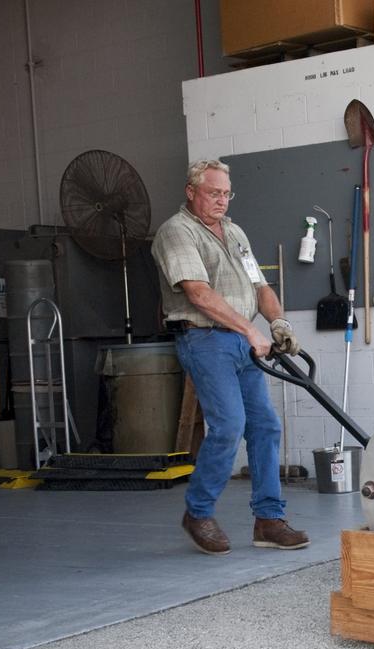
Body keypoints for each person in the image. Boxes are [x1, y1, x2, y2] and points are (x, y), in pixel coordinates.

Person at [151, 159, 309, 555]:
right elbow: (198, 294)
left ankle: (269, 520)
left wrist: (279, 324)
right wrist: (250, 330)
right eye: (213, 193)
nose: (221, 200)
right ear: (191, 192)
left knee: (265, 426)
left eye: (226, 193)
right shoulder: (177, 232)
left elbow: (260, 286)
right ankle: (198, 512)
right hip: (205, 341)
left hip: (241, 343)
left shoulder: (235, 233)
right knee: (228, 425)